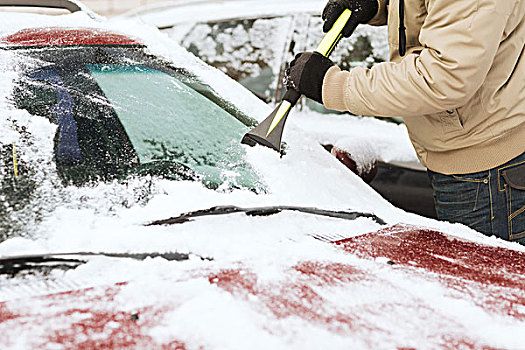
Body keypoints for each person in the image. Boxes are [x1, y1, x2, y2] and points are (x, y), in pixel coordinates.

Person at [285, 0, 525, 245]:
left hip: (488, 174)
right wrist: (379, 5)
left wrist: (333, 85)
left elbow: (442, 78)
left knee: (483, 279)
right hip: (469, 159)